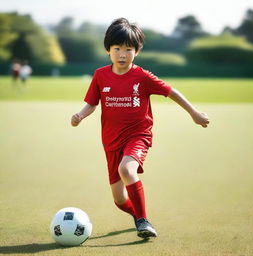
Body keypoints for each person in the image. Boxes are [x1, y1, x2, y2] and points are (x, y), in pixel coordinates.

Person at [71, 18, 210, 239]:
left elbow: (171, 91)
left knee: (126, 170)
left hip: (138, 135)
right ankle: (138, 215)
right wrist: (80, 115)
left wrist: (194, 113)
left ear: (137, 51)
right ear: (108, 50)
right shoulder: (100, 75)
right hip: (110, 141)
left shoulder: (142, 76)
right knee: (119, 200)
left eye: (128, 49)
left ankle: (143, 221)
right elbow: (92, 103)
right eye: (117, 49)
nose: (122, 54)